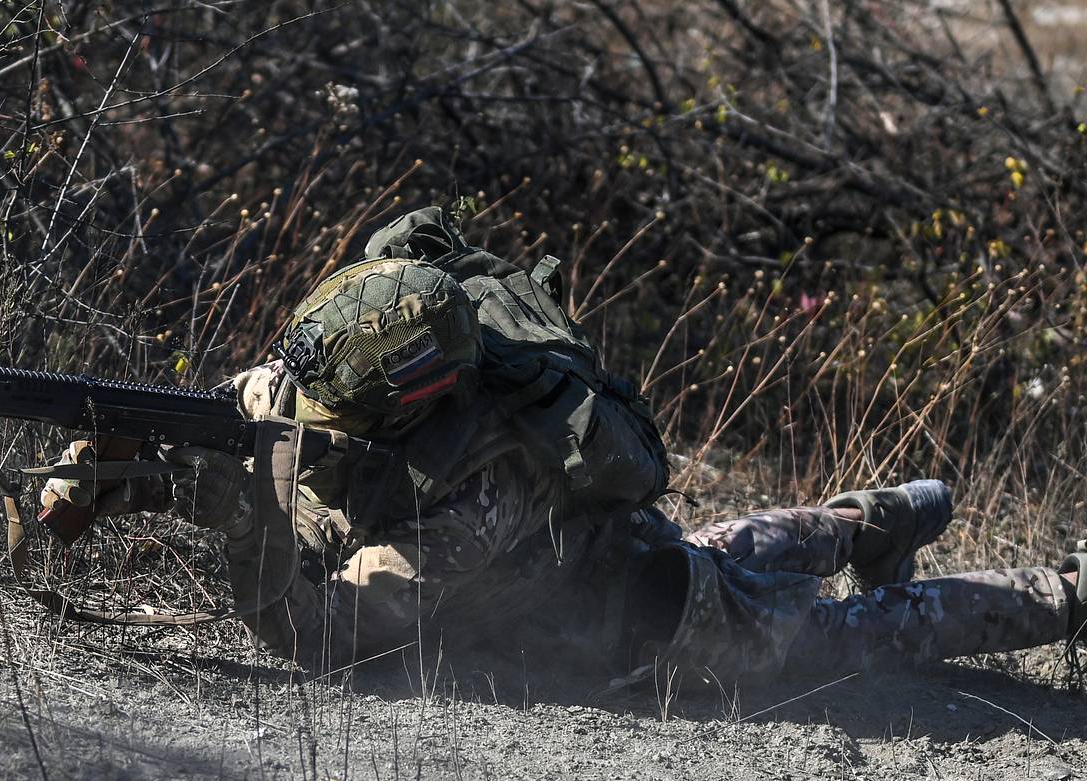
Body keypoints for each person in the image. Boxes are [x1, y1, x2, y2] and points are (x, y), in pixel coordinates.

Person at [53, 207, 1085, 692]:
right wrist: (113, 468)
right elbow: (253, 427)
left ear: (398, 407)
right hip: (626, 540)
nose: (302, 409)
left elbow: (323, 635)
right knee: (754, 540)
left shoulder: (476, 491)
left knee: (874, 631)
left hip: (657, 629)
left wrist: (226, 515)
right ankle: (881, 514)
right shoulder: (343, 384)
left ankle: (1062, 586)